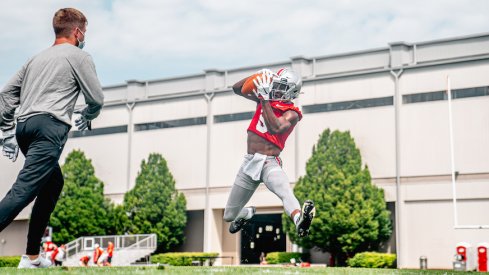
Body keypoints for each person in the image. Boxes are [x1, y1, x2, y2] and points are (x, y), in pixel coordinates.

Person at [0, 8, 104, 269]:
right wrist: (89, 113)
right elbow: (96, 98)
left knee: (52, 183)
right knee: (23, 191)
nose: (85, 37)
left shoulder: (35, 59)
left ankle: (32, 257)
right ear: (78, 32)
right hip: (49, 129)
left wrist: (6, 131)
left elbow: (6, 95)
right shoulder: (79, 56)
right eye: (85, 32)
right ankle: (31, 257)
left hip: (24, 128)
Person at [223, 68, 315, 237]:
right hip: (249, 162)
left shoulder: (292, 113)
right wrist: (256, 75)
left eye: (281, 86)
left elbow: (275, 128)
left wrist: (264, 99)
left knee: (285, 191)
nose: (276, 89)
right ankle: (246, 213)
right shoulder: (264, 98)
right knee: (228, 216)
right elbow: (237, 89)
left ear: (291, 91)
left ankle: (299, 221)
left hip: (269, 162)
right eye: (276, 85)